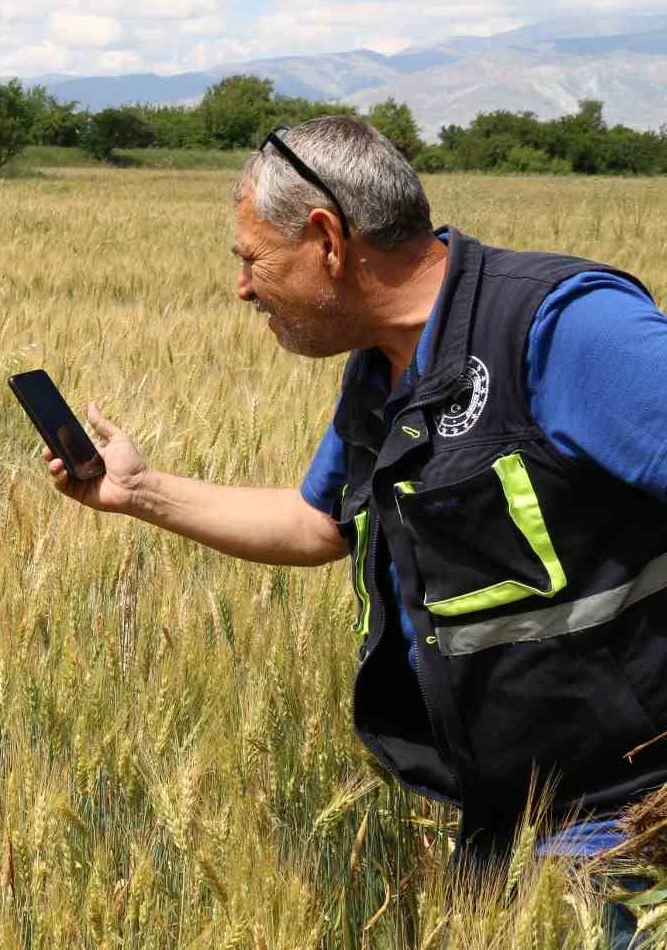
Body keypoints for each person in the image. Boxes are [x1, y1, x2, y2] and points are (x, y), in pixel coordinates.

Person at [41, 116, 667, 945]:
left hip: (625, 828)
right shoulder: (382, 372)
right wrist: (141, 491)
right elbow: (318, 522)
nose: (242, 287)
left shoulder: (561, 331)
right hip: (499, 826)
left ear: (327, 239)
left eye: (251, 258)